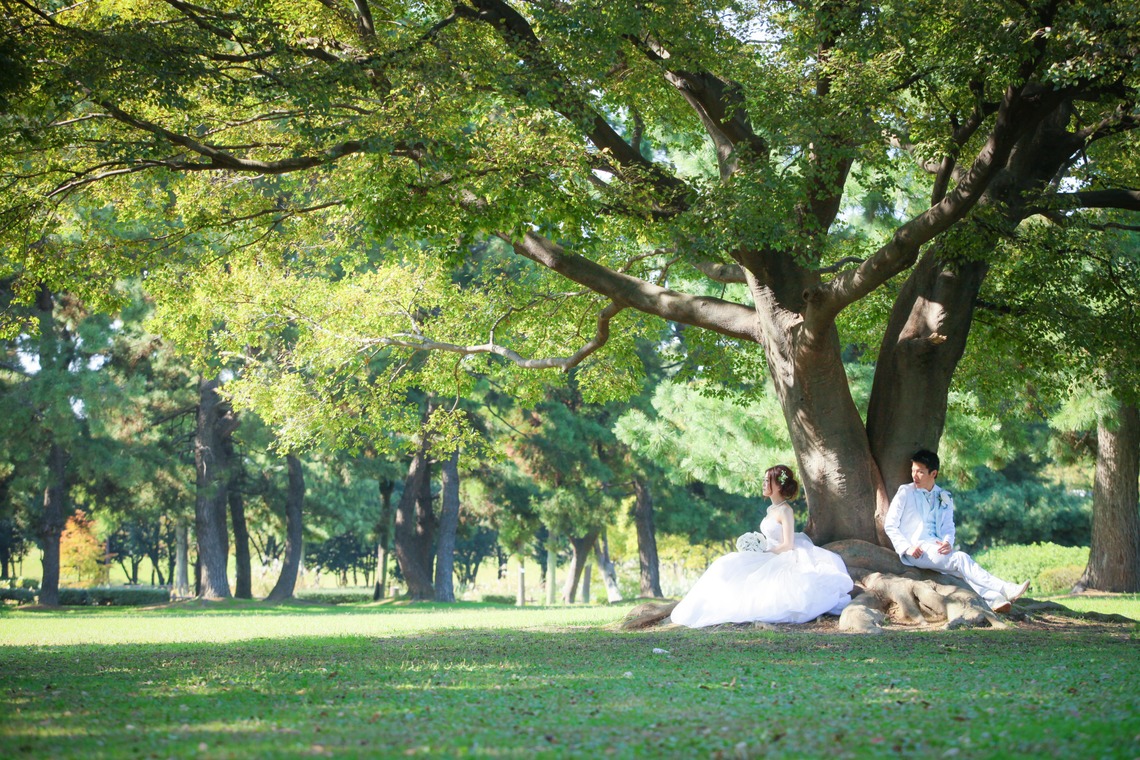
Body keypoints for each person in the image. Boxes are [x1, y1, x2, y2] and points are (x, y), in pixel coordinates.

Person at [671, 465, 854, 628]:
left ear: (779, 485)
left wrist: (765, 552)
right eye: (764, 480)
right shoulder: (771, 510)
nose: (764, 484)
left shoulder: (785, 510)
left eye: (768, 480)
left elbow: (788, 544)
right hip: (770, 551)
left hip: (782, 554)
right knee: (725, 564)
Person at [884, 449, 1030, 613]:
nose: (914, 476)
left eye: (920, 472)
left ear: (933, 473)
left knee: (962, 573)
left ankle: (993, 600)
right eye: (913, 471)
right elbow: (890, 524)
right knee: (960, 559)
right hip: (916, 550)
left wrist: (947, 541)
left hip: (937, 548)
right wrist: (907, 547)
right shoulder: (905, 492)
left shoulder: (944, 496)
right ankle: (1005, 588)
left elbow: (948, 526)